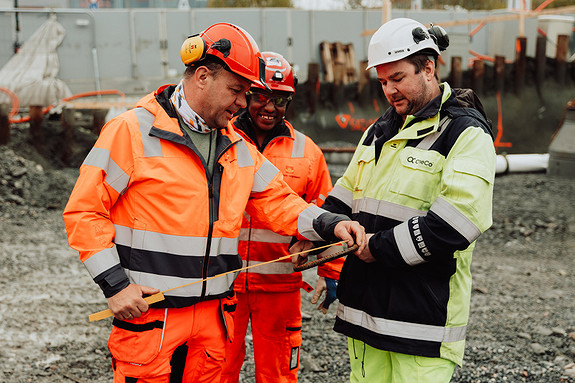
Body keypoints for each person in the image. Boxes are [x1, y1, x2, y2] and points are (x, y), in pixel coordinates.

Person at [62, 23, 366, 383]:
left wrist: (331, 224)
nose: (243, 103)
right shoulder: (131, 132)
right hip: (153, 317)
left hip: (214, 319)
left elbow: (282, 203)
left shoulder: (238, 146)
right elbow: (84, 211)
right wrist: (114, 284)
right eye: (237, 90)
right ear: (202, 76)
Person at [293, 18, 496, 383]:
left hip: (421, 323)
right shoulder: (379, 131)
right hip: (365, 315)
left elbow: (458, 223)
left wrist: (377, 247)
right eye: (383, 81)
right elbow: (343, 197)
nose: (389, 90)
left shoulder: (465, 133)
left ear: (429, 67)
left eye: (398, 78)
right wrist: (318, 231)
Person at [220, 51, 343, 383]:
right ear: (246, 93)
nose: (269, 107)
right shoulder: (220, 140)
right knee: (215, 368)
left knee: (278, 374)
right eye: (261, 96)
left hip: (280, 286)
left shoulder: (307, 153)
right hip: (221, 283)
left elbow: (326, 214)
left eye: (280, 100)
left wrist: (330, 271)